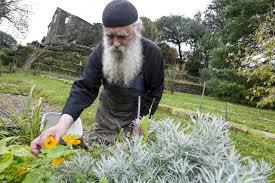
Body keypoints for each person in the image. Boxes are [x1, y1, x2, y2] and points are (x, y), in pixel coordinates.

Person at [30, 0, 164, 155]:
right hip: (105, 119)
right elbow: (85, 88)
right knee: (97, 159)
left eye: (122, 36)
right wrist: (62, 125)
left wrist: (141, 123)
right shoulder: (101, 51)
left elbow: (154, 93)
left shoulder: (153, 54)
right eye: (109, 36)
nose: (115, 43)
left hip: (134, 120)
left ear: (137, 29)